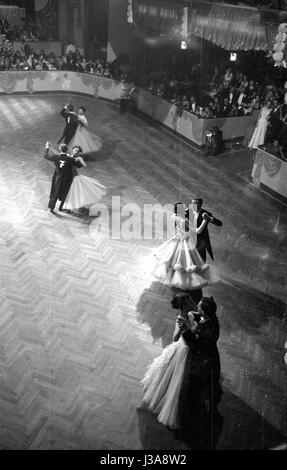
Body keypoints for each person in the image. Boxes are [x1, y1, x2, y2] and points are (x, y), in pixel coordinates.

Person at [141, 293, 198, 430]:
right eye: (190, 300)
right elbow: (175, 338)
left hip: (191, 347)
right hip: (183, 350)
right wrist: (183, 328)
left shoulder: (191, 313)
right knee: (177, 380)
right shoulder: (180, 318)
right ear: (184, 305)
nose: (192, 302)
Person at [177, 295, 222, 445]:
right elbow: (198, 317)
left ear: (205, 312)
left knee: (195, 387)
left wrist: (184, 329)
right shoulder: (210, 319)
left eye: (199, 308)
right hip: (207, 356)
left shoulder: (208, 329)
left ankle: (193, 422)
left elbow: (195, 345)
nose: (196, 309)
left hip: (204, 361)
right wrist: (192, 315)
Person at [147, 203, 214, 290]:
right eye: (184, 209)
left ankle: (171, 276)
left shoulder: (174, 216)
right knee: (183, 261)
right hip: (184, 243)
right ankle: (182, 280)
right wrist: (205, 220)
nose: (186, 210)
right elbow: (198, 231)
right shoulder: (184, 221)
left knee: (171, 259)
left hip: (176, 240)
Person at [63, 146, 106, 212]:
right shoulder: (68, 156)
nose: (76, 152)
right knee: (68, 192)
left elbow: (84, 165)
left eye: (78, 151)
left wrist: (80, 159)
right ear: (72, 150)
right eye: (75, 150)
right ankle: (67, 207)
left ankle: (79, 206)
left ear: (79, 152)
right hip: (68, 176)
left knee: (78, 192)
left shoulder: (79, 158)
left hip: (75, 176)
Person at [44, 142, 83, 213]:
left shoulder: (55, 157)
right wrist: (78, 160)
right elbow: (79, 166)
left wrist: (47, 147)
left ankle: (52, 208)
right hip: (67, 179)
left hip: (57, 177)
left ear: (60, 149)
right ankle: (61, 208)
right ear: (67, 150)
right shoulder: (70, 159)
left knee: (55, 192)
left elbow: (46, 156)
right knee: (65, 193)